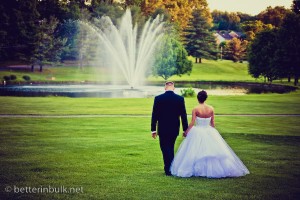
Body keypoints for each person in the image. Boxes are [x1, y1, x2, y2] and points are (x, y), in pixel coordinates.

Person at [170, 90, 250, 178]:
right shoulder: (211, 108)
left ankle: (198, 170)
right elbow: (213, 124)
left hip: (198, 131)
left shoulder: (196, 109)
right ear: (206, 98)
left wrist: (186, 131)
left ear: (198, 98)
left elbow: (192, 122)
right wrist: (212, 132)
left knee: (194, 150)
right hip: (209, 130)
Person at [151, 81, 188, 176]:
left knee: (164, 147)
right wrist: (185, 129)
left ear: (165, 88)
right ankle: (171, 167)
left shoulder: (158, 98)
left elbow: (154, 115)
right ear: (174, 88)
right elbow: (183, 115)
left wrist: (153, 129)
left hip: (162, 128)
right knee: (170, 147)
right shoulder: (180, 99)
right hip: (174, 128)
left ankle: (168, 168)